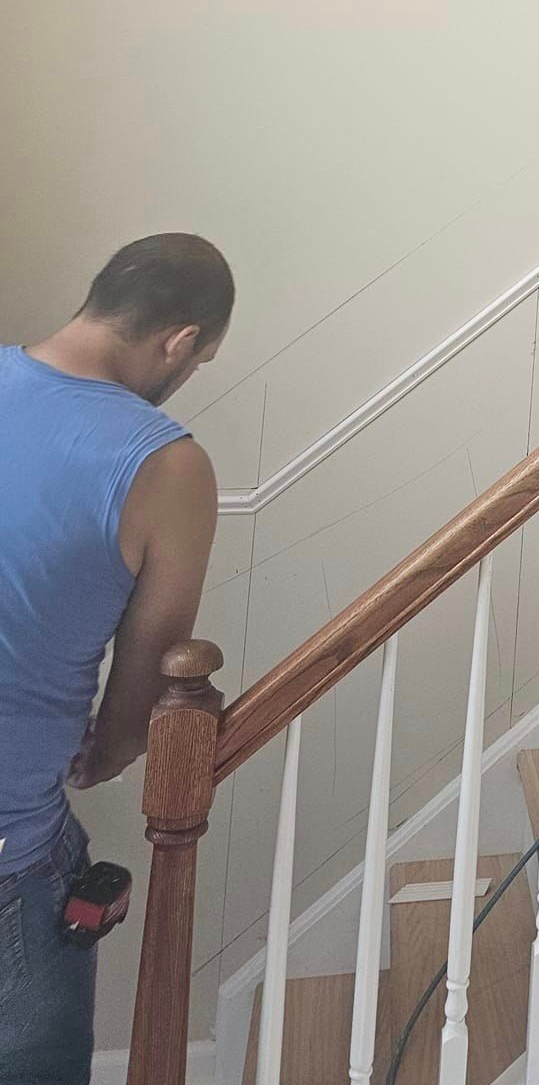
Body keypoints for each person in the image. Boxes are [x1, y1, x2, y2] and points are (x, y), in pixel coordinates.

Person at [0, 233, 231, 1085]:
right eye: (198, 359)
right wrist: (106, 751)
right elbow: (142, 701)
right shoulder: (168, 464)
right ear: (179, 341)